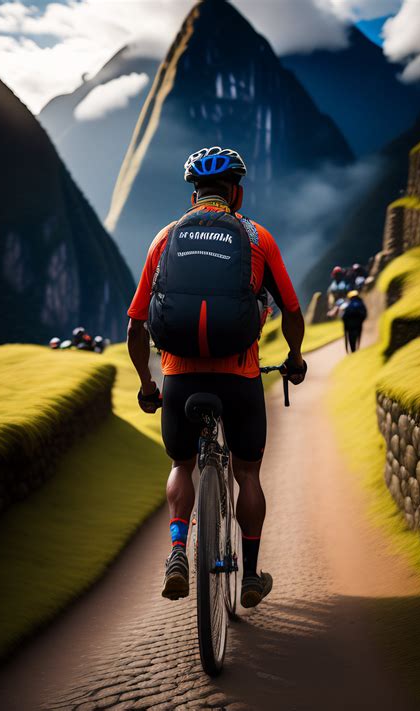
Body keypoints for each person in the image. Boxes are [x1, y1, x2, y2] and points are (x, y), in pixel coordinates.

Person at [127, 146, 306, 608]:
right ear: (237, 194)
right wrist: (295, 357)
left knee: (181, 464)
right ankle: (250, 576)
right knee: (247, 472)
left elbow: (136, 325)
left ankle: (176, 552)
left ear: (194, 197)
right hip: (240, 377)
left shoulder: (164, 238)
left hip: (180, 378)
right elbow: (290, 308)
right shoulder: (256, 237)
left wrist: (149, 386)